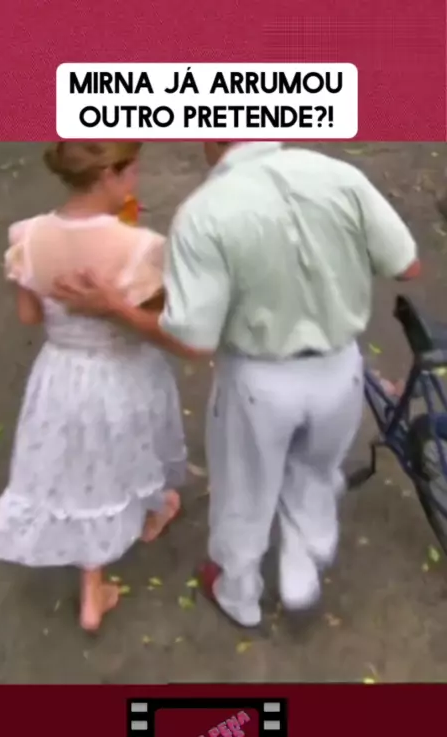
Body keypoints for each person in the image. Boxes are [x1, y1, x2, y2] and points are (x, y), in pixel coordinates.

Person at [52, 141, 420, 629]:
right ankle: (301, 573)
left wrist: (114, 308)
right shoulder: (340, 176)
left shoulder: (204, 212)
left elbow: (193, 341)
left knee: (245, 494)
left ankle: (237, 593)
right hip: (339, 370)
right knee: (315, 470)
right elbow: (407, 265)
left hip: (259, 382)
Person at [0, 142, 187, 632]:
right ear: (110, 174)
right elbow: (162, 327)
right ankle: (151, 510)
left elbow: (30, 315)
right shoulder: (142, 247)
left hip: (61, 371)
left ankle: (94, 586)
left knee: (80, 464)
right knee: (128, 447)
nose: (136, 180)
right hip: (122, 370)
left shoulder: (26, 236)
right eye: (132, 171)